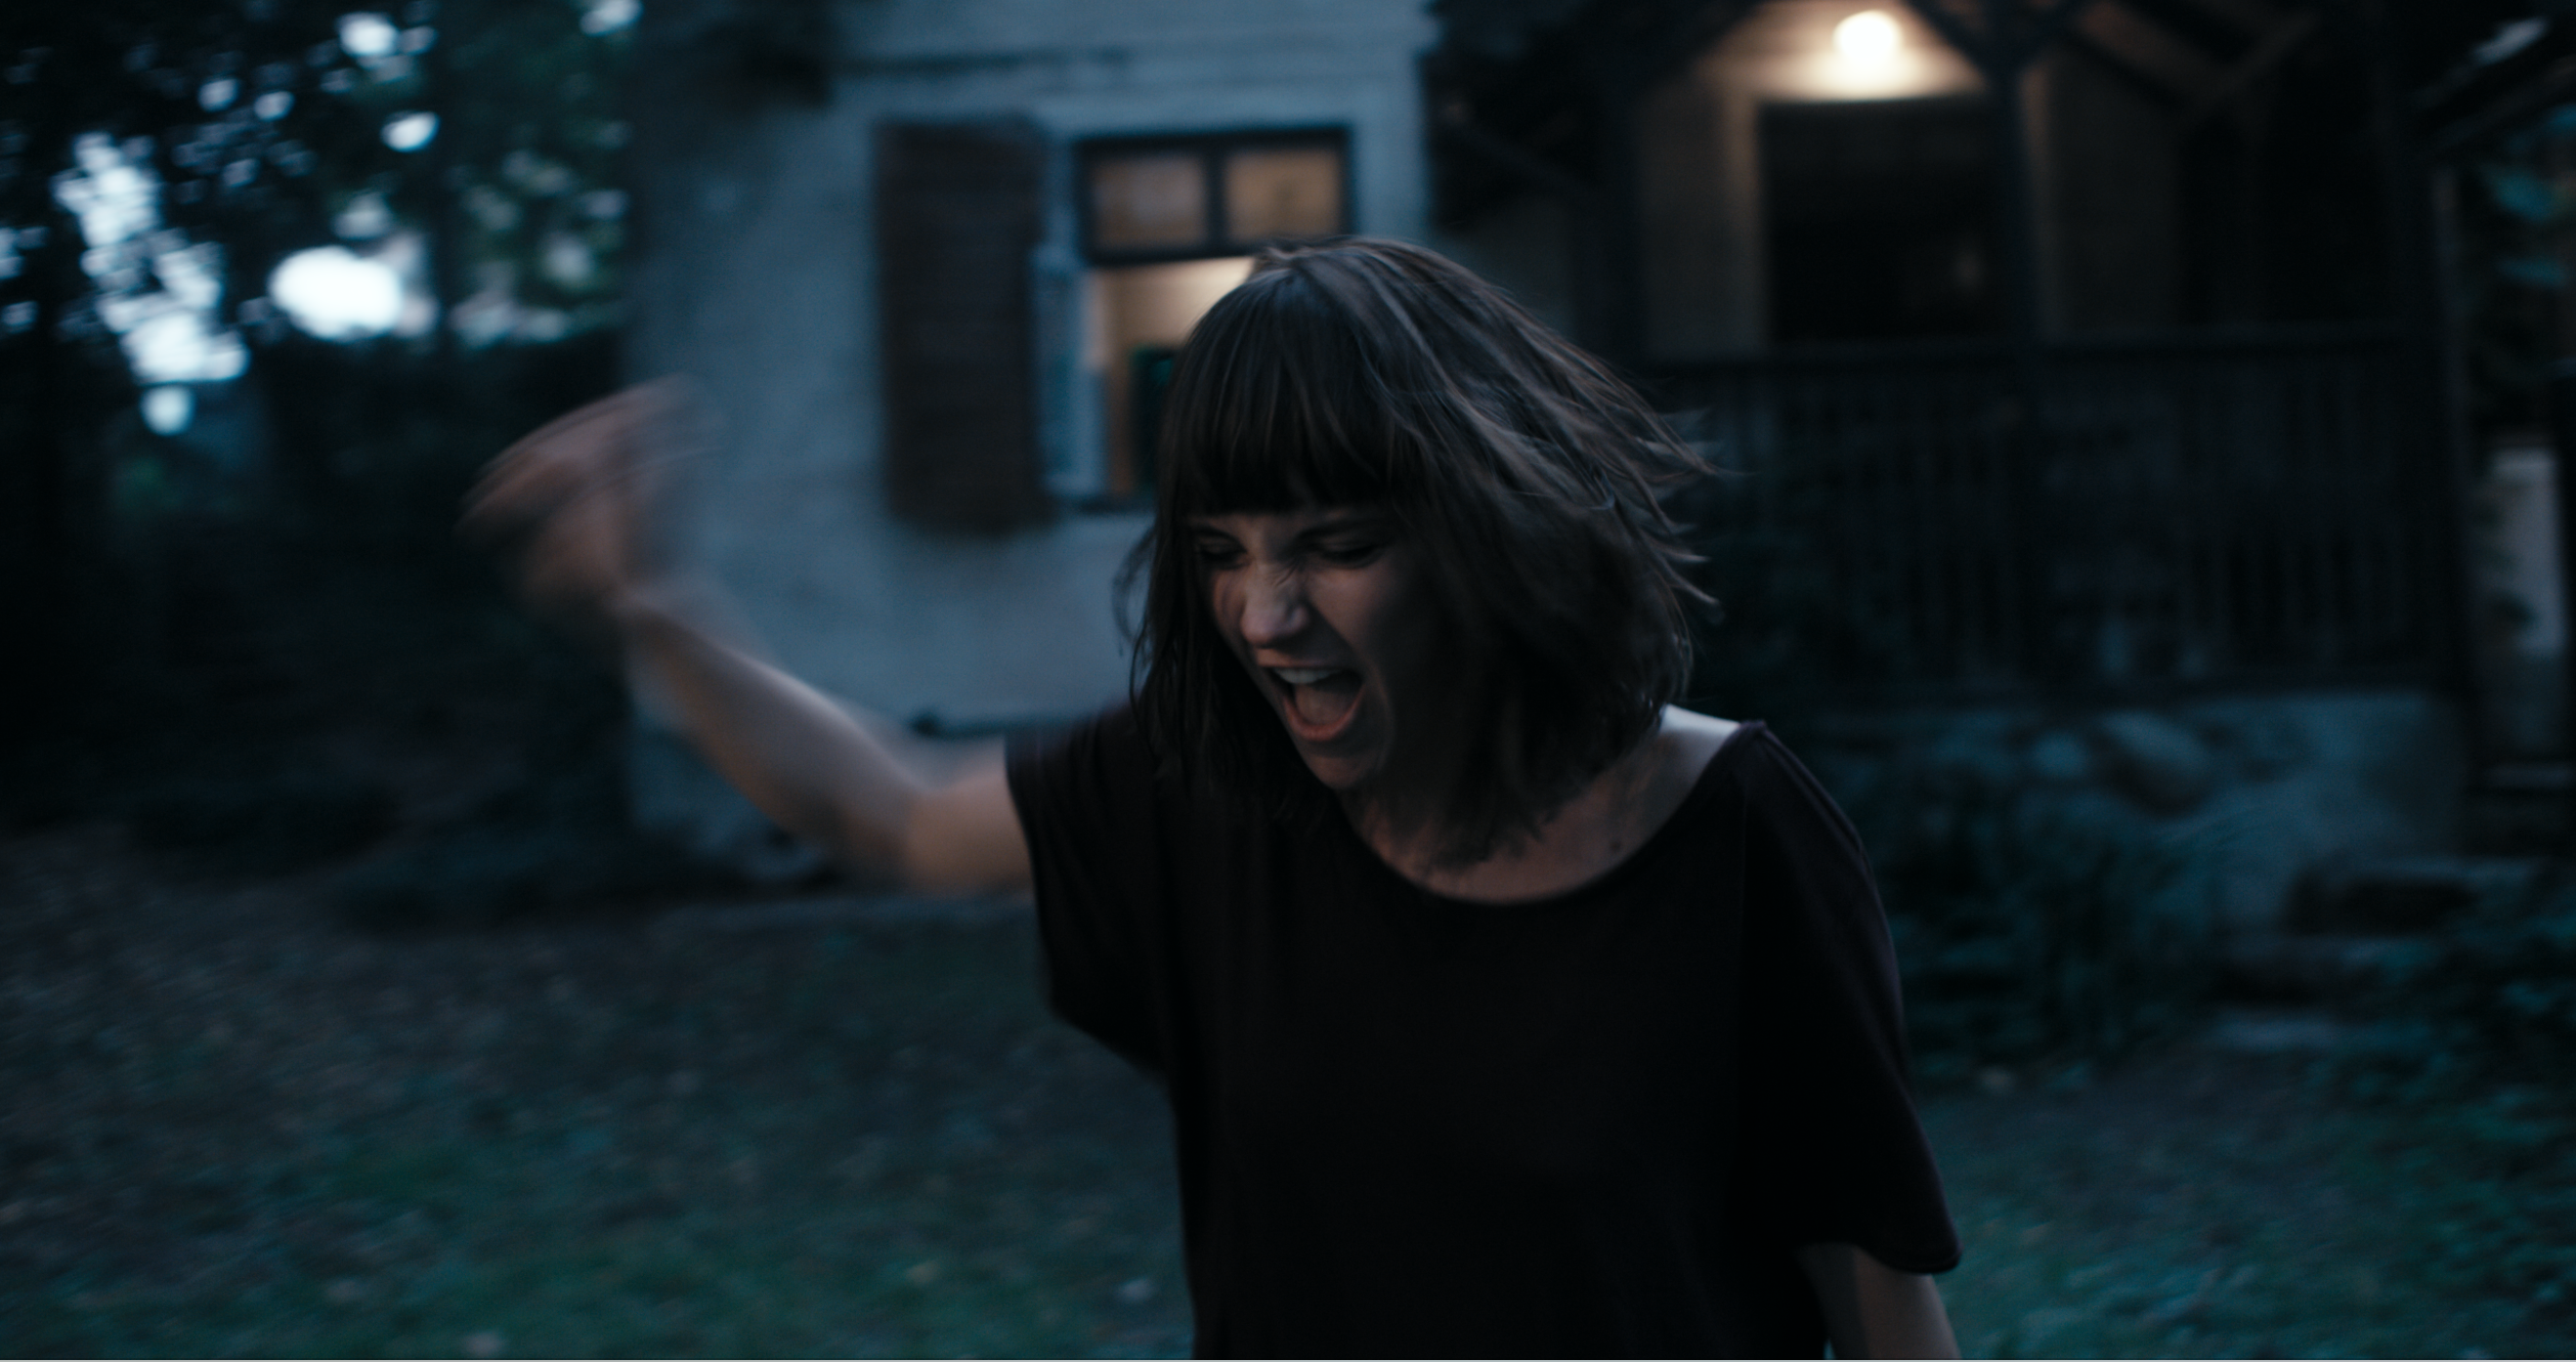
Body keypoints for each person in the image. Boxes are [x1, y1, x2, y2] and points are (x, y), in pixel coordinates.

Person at [468, 237, 1960, 1358]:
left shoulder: (1728, 830)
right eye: (1221, 550)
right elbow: (893, 814)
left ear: (1495, 526)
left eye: (1336, 544)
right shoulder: (1203, 791)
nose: (1263, 615)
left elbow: (1872, 1283)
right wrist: (652, 606)